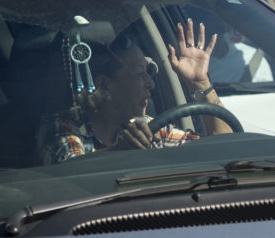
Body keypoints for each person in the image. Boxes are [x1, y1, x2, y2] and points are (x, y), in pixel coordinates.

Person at [40, 19, 232, 164]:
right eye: (139, 74)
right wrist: (119, 151)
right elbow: (69, 174)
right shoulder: (63, 126)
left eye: (149, 72)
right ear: (105, 85)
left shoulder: (150, 127)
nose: (151, 84)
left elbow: (224, 150)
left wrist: (200, 83)